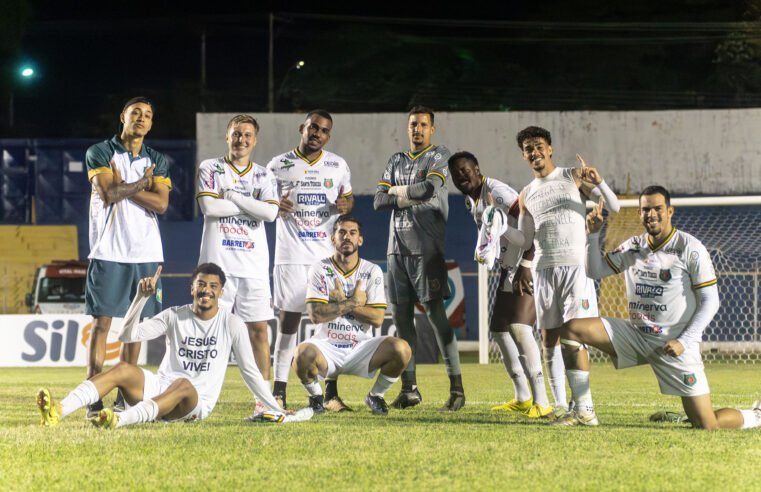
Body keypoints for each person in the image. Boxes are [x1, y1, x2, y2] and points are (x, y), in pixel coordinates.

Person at [558, 186, 761, 429]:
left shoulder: (690, 248)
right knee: (571, 330)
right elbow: (595, 271)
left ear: (670, 211)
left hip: (673, 344)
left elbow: (711, 301)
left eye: (657, 209)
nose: (651, 214)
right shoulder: (634, 246)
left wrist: (684, 341)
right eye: (646, 209)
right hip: (636, 335)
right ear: (639, 213)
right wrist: (592, 235)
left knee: (707, 425)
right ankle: (583, 411)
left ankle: (757, 416)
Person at [36, 263, 310, 429]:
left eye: (213, 286)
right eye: (201, 284)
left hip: (194, 402)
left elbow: (250, 372)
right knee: (122, 368)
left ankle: (122, 420)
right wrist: (140, 299)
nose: (206, 290)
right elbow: (128, 336)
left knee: (183, 384)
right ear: (191, 288)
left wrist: (273, 406)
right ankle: (59, 410)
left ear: (221, 292)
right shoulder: (174, 315)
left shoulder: (231, 323)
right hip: (159, 389)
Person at [506, 126, 619, 420]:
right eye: (528, 149)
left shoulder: (573, 176)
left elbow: (615, 206)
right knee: (549, 339)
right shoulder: (526, 193)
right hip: (544, 270)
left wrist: (599, 182)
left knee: (575, 335)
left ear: (550, 149)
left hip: (575, 267)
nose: (535, 152)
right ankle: (559, 405)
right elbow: (525, 241)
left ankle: (584, 407)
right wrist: (498, 227)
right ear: (523, 155)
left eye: (539, 146)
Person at [84, 96, 171, 417]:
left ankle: (125, 396)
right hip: (108, 250)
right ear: (123, 116)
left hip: (147, 252)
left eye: (148, 114)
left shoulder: (157, 159)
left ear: (151, 122)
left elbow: (161, 204)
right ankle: (92, 396)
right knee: (102, 323)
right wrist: (143, 184)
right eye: (136, 112)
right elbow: (108, 194)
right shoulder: (100, 151)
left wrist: (128, 187)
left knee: (136, 326)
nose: (142, 118)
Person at [373, 106, 465, 411]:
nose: (418, 129)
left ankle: (457, 390)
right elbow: (378, 201)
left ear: (431, 129)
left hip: (427, 249)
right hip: (395, 251)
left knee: (437, 317)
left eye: (423, 125)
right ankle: (409, 389)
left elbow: (429, 188)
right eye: (413, 124)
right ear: (407, 127)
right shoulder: (396, 160)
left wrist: (396, 192)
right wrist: (405, 195)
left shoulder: (439, 155)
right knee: (402, 320)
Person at [448, 152, 549, 417]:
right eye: (456, 173)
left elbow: (532, 224)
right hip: (509, 267)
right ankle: (523, 397)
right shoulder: (471, 200)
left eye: (465, 170)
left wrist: (526, 264)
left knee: (520, 328)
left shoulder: (498, 193)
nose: (461, 176)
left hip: (528, 265)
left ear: (477, 168)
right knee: (500, 330)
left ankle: (542, 402)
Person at [266, 110, 354, 410]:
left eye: (324, 130)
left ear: (329, 136)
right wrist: (274, 204)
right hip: (290, 255)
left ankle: (330, 395)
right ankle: (278, 393)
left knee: (331, 327)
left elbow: (348, 200)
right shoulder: (277, 165)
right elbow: (261, 201)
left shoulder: (338, 165)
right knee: (288, 324)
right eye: (313, 127)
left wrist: (346, 205)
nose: (318, 133)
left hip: (325, 259)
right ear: (302, 128)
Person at [293, 215, 410, 416]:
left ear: (360, 240)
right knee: (301, 354)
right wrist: (354, 302)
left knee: (402, 349)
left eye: (352, 233)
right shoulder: (320, 268)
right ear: (333, 239)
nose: (347, 237)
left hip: (361, 347)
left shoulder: (371, 271)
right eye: (342, 232)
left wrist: (340, 303)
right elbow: (316, 315)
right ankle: (316, 398)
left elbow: (377, 318)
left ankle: (376, 396)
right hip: (327, 347)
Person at [196, 115, 279, 388]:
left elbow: (270, 213)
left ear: (255, 140)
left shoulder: (264, 175)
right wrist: (253, 205)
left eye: (247, 135)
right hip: (216, 267)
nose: (241, 139)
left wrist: (231, 196)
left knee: (258, 332)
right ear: (227, 136)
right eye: (236, 134)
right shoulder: (210, 167)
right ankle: (198, 396)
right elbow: (209, 207)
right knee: (207, 330)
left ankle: (263, 400)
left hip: (253, 267)